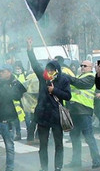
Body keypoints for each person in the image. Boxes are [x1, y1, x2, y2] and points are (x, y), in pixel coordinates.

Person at [27, 38, 72, 171]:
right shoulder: (43, 77)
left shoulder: (63, 79)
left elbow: (68, 96)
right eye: (48, 69)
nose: (50, 72)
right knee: (43, 145)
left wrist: (54, 90)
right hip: (43, 116)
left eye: (52, 70)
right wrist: (30, 49)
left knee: (59, 144)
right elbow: (34, 64)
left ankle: (58, 167)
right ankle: (44, 168)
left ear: (57, 70)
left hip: (57, 117)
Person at [64, 60, 100, 169]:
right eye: (81, 65)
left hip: (84, 111)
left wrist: (66, 75)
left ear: (91, 67)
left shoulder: (91, 77)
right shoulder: (79, 76)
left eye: (85, 66)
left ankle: (96, 161)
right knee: (74, 138)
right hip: (74, 111)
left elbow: (79, 84)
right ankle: (76, 161)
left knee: (89, 137)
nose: (82, 67)